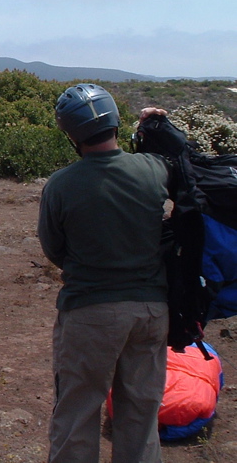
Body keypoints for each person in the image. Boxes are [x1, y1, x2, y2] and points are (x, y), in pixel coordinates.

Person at [38, 84, 173, 463]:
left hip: (90, 312)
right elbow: (184, 167)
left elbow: (54, 249)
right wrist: (158, 128)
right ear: (114, 121)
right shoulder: (153, 169)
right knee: (141, 416)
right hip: (151, 311)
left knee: (77, 413)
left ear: (71, 134)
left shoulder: (61, 184)